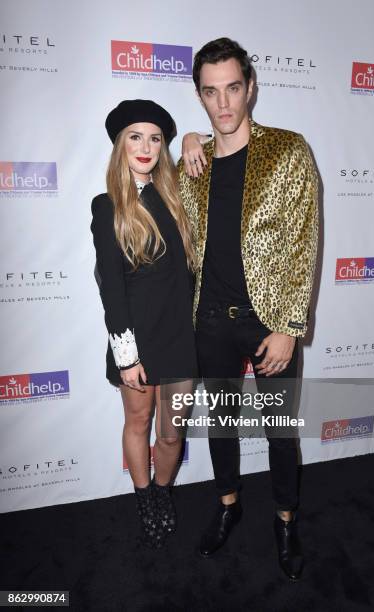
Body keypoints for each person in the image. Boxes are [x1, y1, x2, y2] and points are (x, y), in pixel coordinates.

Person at [178, 38, 318, 580]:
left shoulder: (287, 150)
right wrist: (185, 140)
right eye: (211, 93)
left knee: (281, 430)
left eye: (232, 88)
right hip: (209, 319)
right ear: (200, 96)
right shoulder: (192, 162)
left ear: (250, 86)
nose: (223, 104)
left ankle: (285, 520)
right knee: (221, 424)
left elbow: (304, 243)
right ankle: (228, 506)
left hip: (268, 324)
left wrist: (288, 327)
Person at [91, 99, 197, 549]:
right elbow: (110, 288)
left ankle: (163, 492)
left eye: (155, 138)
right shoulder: (108, 205)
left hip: (180, 338)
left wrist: (194, 138)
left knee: (172, 432)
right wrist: (127, 356)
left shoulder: (177, 198)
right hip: (135, 341)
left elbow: (231, 149)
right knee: (139, 424)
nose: (146, 146)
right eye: (135, 136)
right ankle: (143, 500)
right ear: (121, 144)